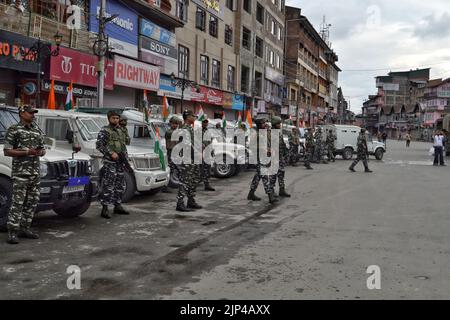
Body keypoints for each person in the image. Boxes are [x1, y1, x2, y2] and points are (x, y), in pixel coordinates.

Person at [3, 105, 45, 244]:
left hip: (34, 172)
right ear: (22, 113)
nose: (33, 115)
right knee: (18, 202)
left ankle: (25, 228)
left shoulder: (36, 129)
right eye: (30, 112)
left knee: (32, 202)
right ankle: (12, 232)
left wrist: (41, 152)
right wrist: (27, 152)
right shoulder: (14, 129)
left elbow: (43, 148)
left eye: (34, 113)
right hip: (21, 172)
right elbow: (7, 151)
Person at [96, 110, 130, 219]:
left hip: (120, 161)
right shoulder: (104, 131)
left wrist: (125, 159)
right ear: (109, 118)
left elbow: (125, 144)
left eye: (117, 118)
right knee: (108, 185)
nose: (116, 120)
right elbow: (100, 145)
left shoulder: (120, 130)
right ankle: (105, 208)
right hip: (110, 162)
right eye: (113, 118)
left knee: (119, 184)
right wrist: (111, 153)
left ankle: (117, 205)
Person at [176, 110, 202, 212]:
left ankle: (191, 200)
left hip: (192, 159)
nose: (194, 117)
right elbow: (187, 144)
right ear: (187, 117)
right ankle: (180, 203)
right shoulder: (184, 129)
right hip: (187, 158)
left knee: (193, 179)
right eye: (193, 116)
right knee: (185, 181)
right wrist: (197, 153)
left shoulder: (190, 128)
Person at [247, 118, 278, 204]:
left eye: (265, 122)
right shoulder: (256, 134)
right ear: (259, 124)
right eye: (263, 123)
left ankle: (251, 193)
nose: (265, 124)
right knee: (265, 176)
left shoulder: (263, 133)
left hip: (264, 158)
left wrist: (269, 150)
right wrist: (263, 150)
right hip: (260, 158)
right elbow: (252, 146)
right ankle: (270, 196)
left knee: (257, 176)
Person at [271, 117, 291, 198]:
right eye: (278, 124)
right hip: (274, 158)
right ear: (275, 124)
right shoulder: (271, 133)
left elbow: (282, 144)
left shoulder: (278, 132)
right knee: (273, 175)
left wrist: (285, 153)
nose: (280, 125)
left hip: (280, 157)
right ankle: (271, 191)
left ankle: (282, 190)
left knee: (281, 174)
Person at [165, 116, 180, 191]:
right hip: (170, 152)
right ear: (170, 124)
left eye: (176, 124)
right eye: (173, 124)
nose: (175, 125)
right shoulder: (168, 132)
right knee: (170, 169)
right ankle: (165, 186)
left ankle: (170, 184)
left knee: (175, 169)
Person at [201, 118, 215, 191]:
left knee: (208, 169)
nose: (205, 123)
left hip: (207, 153)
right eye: (204, 122)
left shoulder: (208, 131)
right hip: (201, 153)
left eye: (206, 122)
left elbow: (210, 141)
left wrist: (212, 150)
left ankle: (207, 184)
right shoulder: (198, 131)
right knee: (200, 169)